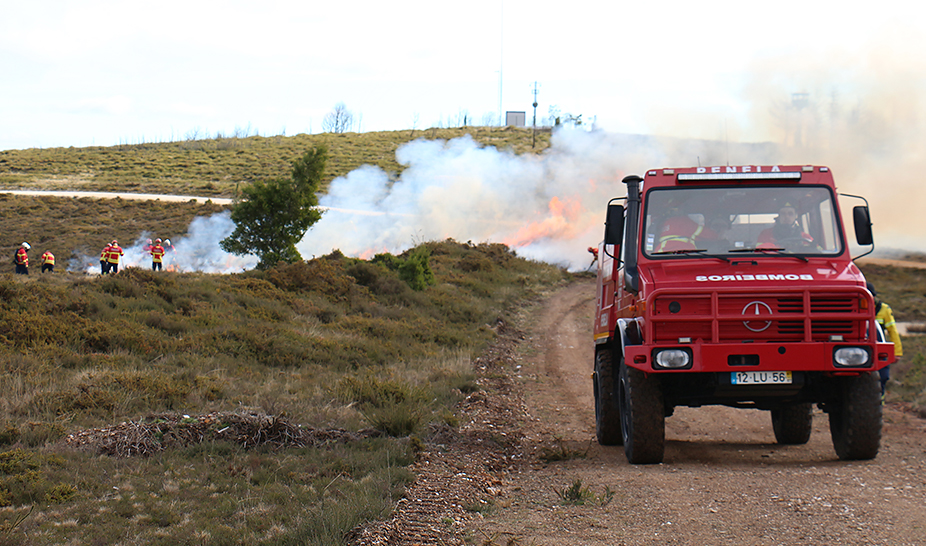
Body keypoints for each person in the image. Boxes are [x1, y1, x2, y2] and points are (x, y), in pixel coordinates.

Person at [868, 282, 902, 401]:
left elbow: (893, 331)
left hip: (879, 348)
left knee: (883, 376)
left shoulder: (884, 309)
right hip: (862, 349)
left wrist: (897, 352)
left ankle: (879, 402)